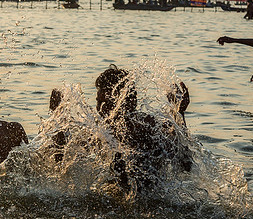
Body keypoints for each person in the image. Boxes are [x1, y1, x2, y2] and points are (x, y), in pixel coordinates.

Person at [50, 66, 192, 192]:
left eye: (105, 102)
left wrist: (178, 114)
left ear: (129, 102)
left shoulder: (147, 126)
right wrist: (58, 118)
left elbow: (185, 163)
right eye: (98, 102)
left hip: (149, 203)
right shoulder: (101, 132)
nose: (99, 109)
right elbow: (62, 162)